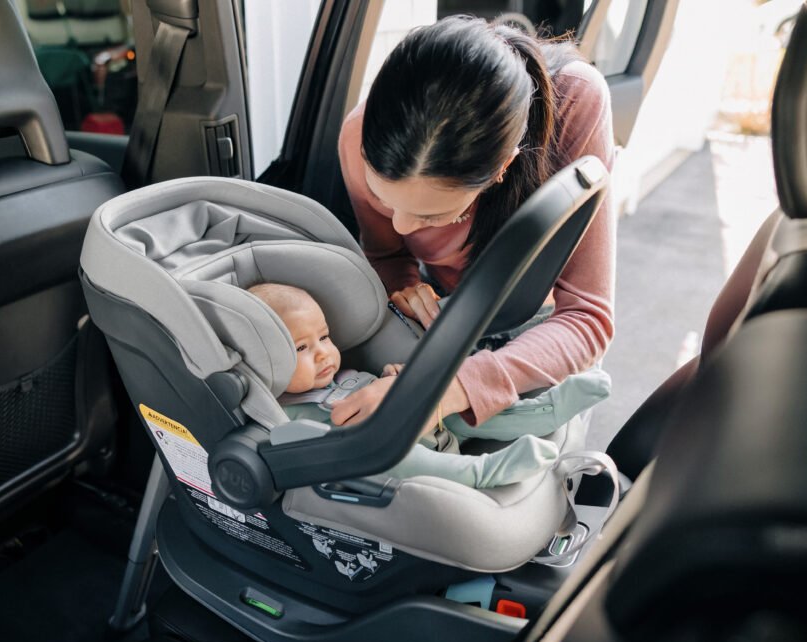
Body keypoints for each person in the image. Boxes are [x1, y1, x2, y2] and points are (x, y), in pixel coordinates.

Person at [334, 15, 615, 431]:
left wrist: (440, 391)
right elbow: (386, 254)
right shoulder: (357, 135)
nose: (404, 227)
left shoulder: (576, 101)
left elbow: (587, 316)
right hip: (446, 313)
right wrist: (404, 286)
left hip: (543, 327)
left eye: (431, 215)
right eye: (381, 197)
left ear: (503, 167)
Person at [247, 283, 610, 488]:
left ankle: (546, 411)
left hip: (422, 417)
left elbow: (375, 391)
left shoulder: (340, 373)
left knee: (462, 407)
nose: (325, 353)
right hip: (383, 451)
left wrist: (394, 379)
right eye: (301, 348)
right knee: (402, 461)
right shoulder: (286, 412)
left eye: (325, 337)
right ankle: (486, 471)